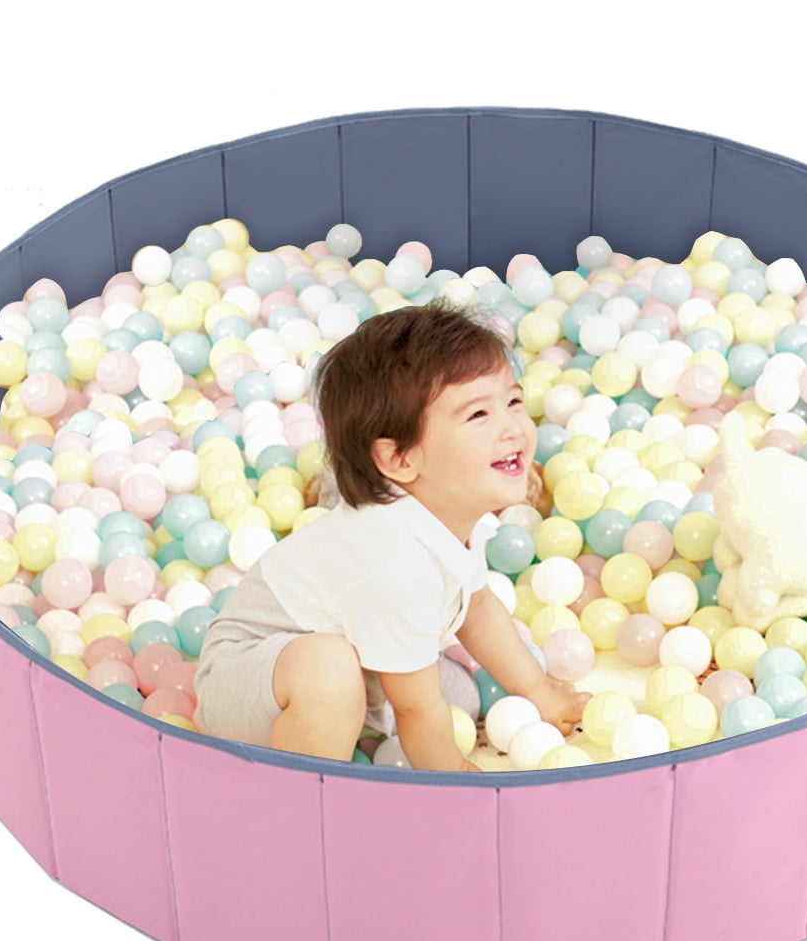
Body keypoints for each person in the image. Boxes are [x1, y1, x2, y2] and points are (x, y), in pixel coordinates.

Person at [194, 301, 587, 772]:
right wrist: (456, 775)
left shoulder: (451, 515)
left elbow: (477, 608)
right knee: (341, 675)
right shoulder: (393, 561)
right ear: (400, 459)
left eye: (514, 402)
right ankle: (307, 796)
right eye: (479, 414)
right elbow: (416, 710)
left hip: (322, 663)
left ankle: (349, 720)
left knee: (453, 695)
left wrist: (540, 691)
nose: (513, 428)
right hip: (247, 678)